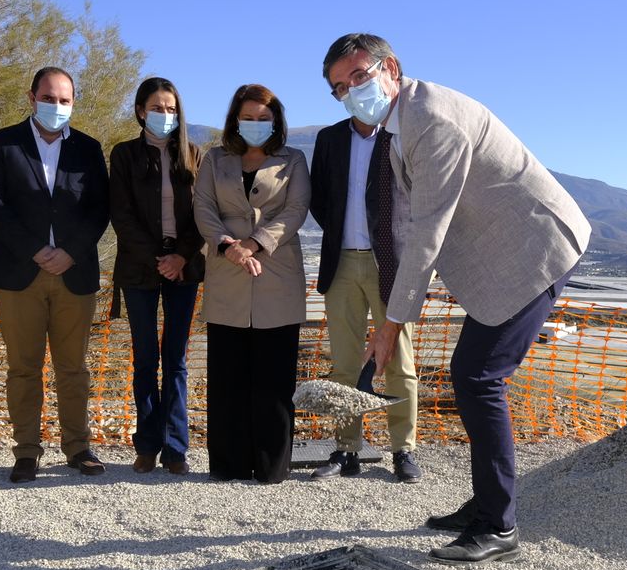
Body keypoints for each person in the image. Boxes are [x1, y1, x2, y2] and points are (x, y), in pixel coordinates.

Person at [322, 34, 589, 564]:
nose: (351, 93)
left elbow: (426, 231)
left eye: (358, 77)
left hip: (535, 252)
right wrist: (393, 309)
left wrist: (392, 322)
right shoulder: (399, 125)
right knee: (472, 375)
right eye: (338, 89)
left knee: (477, 377)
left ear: (389, 67)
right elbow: (402, 224)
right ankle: (487, 504)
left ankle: (499, 525)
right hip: (506, 258)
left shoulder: (431, 120)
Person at [0, 66, 111, 484]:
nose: (56, 106)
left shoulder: (88, 148)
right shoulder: (4, 143)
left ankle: (78, 448)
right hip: (20, 272)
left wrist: (70, 252)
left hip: (75, 272)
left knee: (73, 368)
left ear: (73, 102)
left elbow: (100, 209)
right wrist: (36, 250)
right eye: (49, 98)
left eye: (64, 100)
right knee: (23, 368)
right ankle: (27, 451)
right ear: (31, 97)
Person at [192, 84, 310, 484]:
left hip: (277, 274)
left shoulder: (293, 160)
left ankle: (272, 467)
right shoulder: (214, 160)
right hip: (227, 274)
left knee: (274, 380)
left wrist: (256, 243)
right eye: (249, 118)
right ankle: (228, 465)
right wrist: (229, 247)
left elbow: (296, 209)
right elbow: (203, 207)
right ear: (235, 120)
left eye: (264, 118)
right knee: (227, 378)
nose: (256, 124)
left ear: (275, 121)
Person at [308, 96, 420, 483]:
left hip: (389, 263)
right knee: (344, 363)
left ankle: (403, 450)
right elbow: (319, 199)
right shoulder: (329, 139)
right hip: (340, 262)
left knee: (399, 363)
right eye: (342, 88)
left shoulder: (400, 137)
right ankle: (346, 449)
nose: (356, 95)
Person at [109, 77, 205, 475]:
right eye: (157, 107)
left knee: (177, 359)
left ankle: (176, 447)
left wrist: (180, 256)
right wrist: (157, 258)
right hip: (138, 268)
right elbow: (122, 214)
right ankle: (147, 444)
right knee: (146, 358)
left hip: (185, 268)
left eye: (171, 109)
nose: (165, 115)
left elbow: (205, 213)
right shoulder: (124, 155)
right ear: (139, 111)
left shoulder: (196, 155)